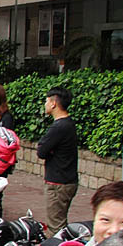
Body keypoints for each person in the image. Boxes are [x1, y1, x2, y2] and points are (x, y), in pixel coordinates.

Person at [37, 86, 79, 235]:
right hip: (67, 180)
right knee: (60, 222)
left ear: (53, 103)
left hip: (58, 183)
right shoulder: (68, 123)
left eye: (46, 101)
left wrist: (47, 148)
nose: (45, 104)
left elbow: (41, 151)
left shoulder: (59, 127)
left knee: (56, 227)